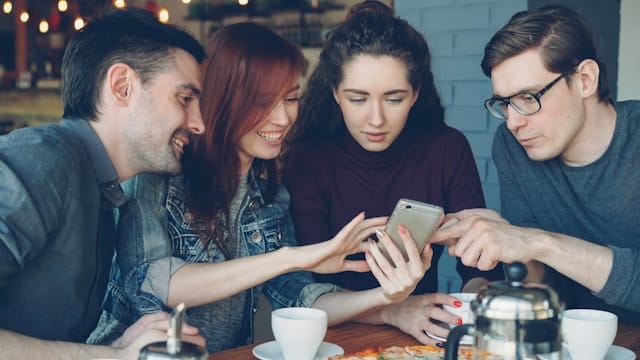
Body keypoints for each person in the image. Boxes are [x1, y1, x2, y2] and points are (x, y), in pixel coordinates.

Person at [88, 22, 433, 354]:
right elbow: (154, 282)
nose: (282, 118)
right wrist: (288, 258)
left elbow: (302, 298)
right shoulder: (159, 173)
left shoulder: (269, 196)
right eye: (262, 102)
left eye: (290, 99)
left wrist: (387, 300)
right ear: (223, 99)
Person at [283, 0, 503, 345]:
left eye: (394, 99)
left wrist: (468, 306)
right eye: (357, 99)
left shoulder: (447, 149)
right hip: (329, 340)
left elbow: (479, 271)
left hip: (419, 336)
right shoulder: (308, 158)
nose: (376, 120)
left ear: (415, 94)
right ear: (335, 94)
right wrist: (394, 309)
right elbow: (304, 293)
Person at [0, 7, 206, 359]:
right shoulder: (44, 159)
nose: (199, 124)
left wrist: (120, 346)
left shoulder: (103, 191)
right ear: (122, 86)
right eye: (185, 99)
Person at [431, 5, 640, 322]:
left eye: (529, 98)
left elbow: (539, 245)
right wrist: (508, 243)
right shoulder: (513, 146)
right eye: (504, 103)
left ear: (585, 79)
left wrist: (536, 242)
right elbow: (545, 287)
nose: (513, 122)